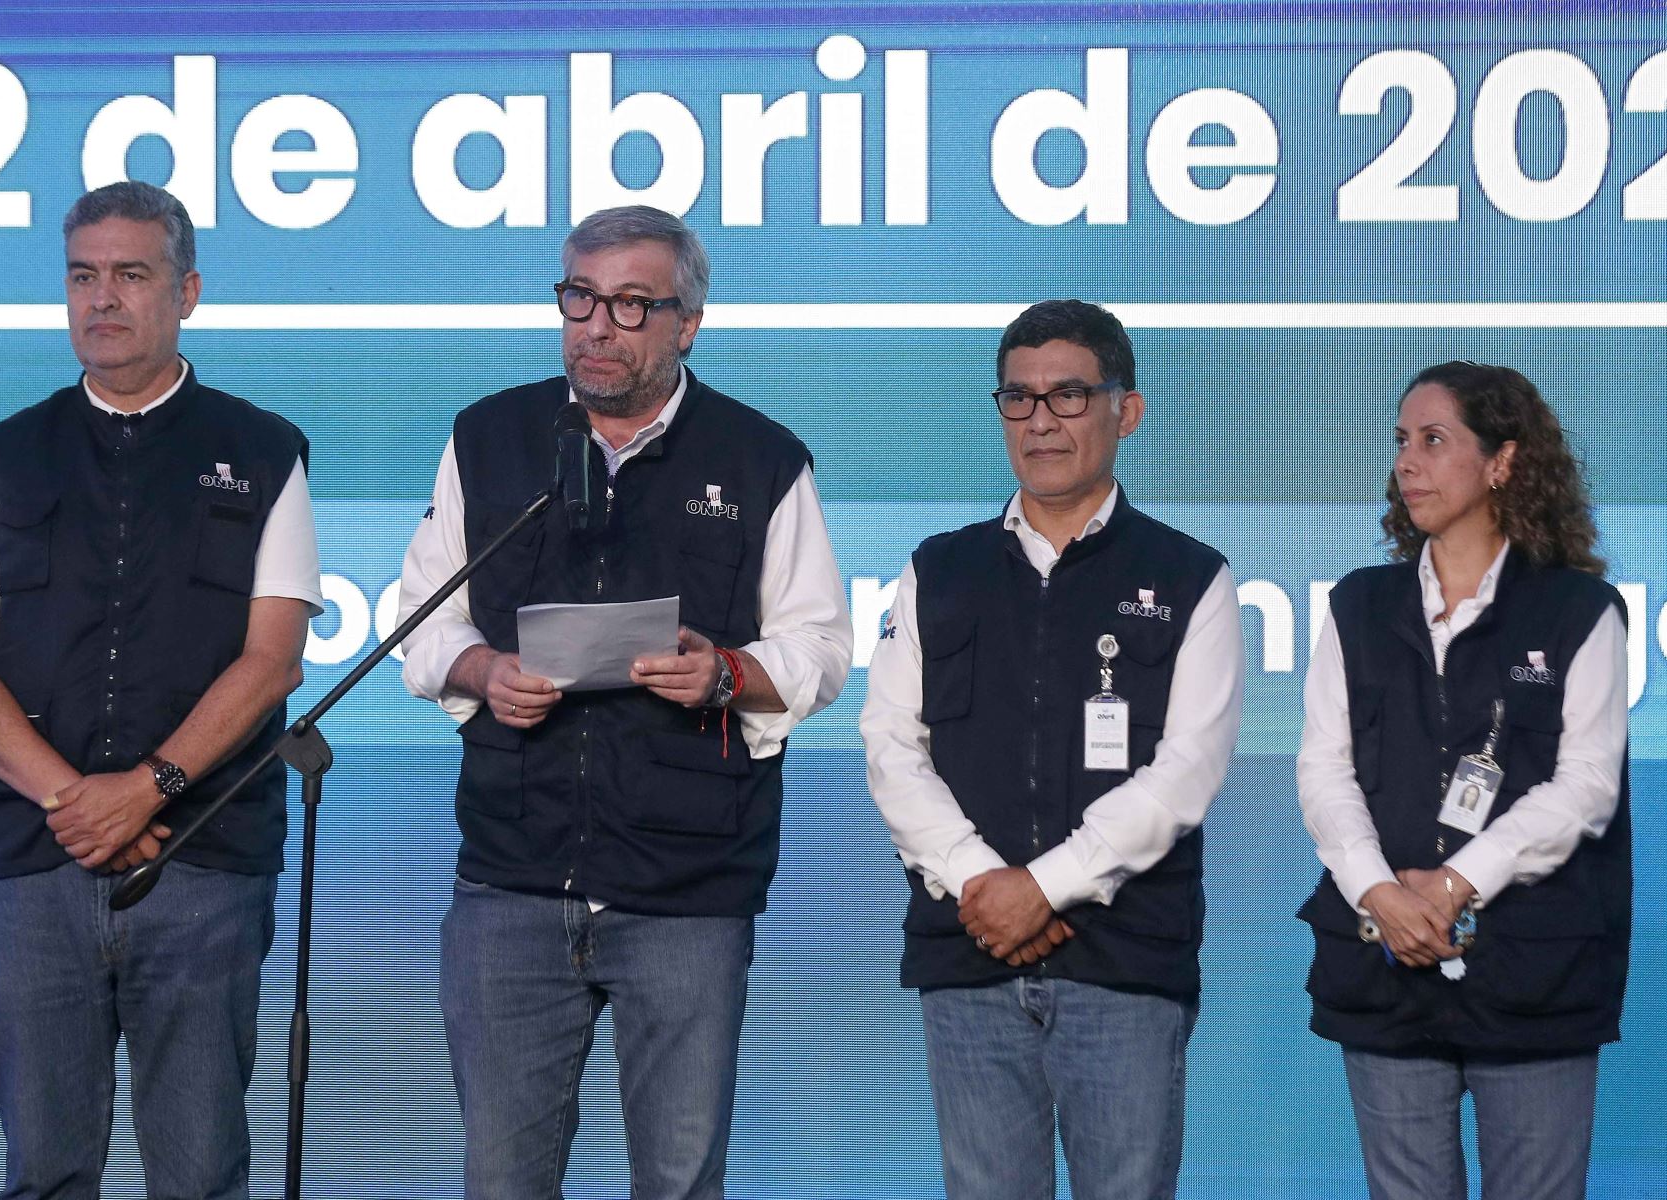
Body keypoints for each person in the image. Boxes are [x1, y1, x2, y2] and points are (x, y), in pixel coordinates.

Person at [397, 204, 851, 1200]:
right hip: (511, 880)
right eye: (579, 298)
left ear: (687, 322)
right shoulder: (490, 439)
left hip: (686, 892)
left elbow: (820, 651)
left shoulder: (761, 460)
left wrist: (725, 674)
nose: (596, 327)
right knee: (501, 1181)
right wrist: (486, 674)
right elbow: (424, 627)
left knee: (680, 1183)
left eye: (631, 305)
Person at [0, 180, 321, 1199]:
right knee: (45, 1171)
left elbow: (273, 660)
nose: (102, 299)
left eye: (131, 275)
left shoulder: (265, 451)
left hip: (204, 870)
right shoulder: (7, 454)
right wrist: (74, 802)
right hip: (32, 871)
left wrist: (146, 789)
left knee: (198, 1175)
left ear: (187, 291)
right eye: (83, 276)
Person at [860, 299, 1243, 1199]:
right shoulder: (939, 568)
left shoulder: (1193, 578)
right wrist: (983, 884)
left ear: (1127, 409)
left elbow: (1186, 773)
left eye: (1069, 396)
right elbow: (889, 744)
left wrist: (1044, 887)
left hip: (1124, 962)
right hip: (969, 951)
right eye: (1018, 399)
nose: (1040, 421)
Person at [1297, 362, 1629, 1200]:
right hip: (1383, 970)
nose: (1407, 462)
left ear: (1503, 462)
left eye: (1434, 441)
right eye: (1402, 442)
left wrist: (1455, 884)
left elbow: (1586, 785)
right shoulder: (1358, 608)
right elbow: (1324, 770)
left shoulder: (1578, 611)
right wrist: (1380, 893)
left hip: (1536, 978)